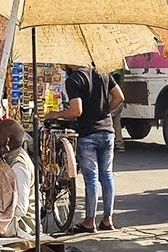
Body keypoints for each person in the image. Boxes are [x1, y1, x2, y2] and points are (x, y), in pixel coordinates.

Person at [45, 64, 124, 233]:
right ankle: (107, 219)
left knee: (91, 179)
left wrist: (56, 114)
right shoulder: (103, 72)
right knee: (107, 176)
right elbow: (119, 97)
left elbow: (76, 111)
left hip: (88, 134)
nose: (61, 67)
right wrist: (104, 112)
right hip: (107, 132)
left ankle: (89, 221)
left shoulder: (74, 80)